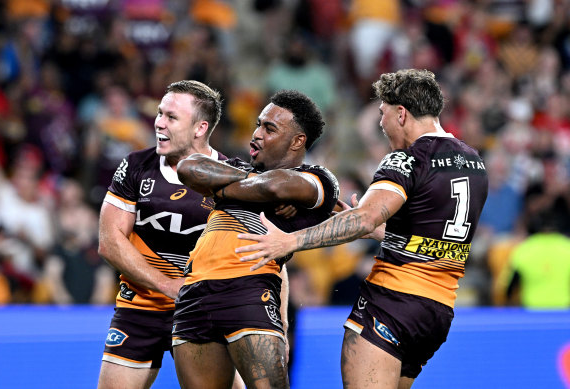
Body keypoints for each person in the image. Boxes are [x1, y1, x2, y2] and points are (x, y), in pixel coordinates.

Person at [236, 69, 489, 388]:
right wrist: (377, 231)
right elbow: (438, 241)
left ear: (401, 113)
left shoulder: (407, 160)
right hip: (436, 312)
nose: (381, 126)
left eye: (382, 115)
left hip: (393, 303)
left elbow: (364, 218)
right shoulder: (473, 161)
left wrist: (290, 241)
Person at [172, 89, 340, 389]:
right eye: (258, 124)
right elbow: (188, 167)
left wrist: (220, 188)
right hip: (193, 294)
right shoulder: (240, 168)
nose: (256, 134)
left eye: (269, 128)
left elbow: (277, 185)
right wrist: (257, 186)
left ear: (297, 141)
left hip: (248, 289)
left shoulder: (320, 179)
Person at [96, 80, 244, 389]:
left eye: (171, 117)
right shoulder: (136, 166)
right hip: (140, 307)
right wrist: (169, 286)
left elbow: (260, 252)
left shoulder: (234, 177)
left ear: (200, 128)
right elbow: (109, 242)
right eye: (160, 113)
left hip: (205, 313)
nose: (159, 123)